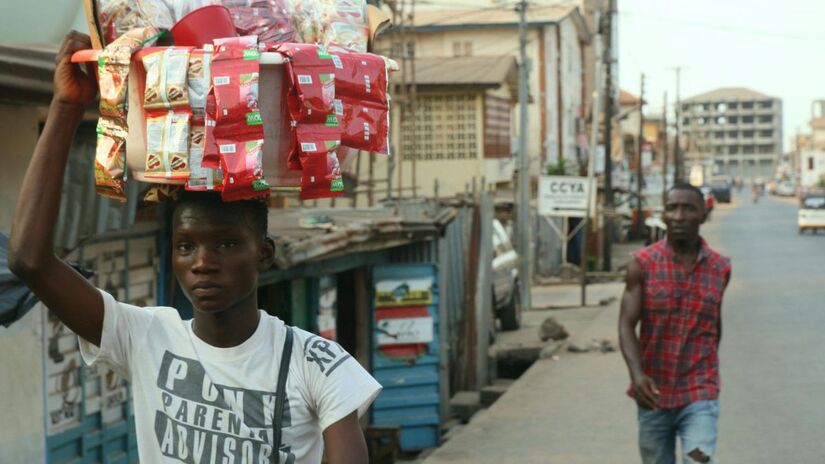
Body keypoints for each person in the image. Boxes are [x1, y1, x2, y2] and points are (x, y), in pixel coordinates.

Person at [8, 31, 380, 464]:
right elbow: (29, 260)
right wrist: (67, 107)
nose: (203, 263)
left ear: (264, 253)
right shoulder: (147, 337)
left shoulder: (315, 363)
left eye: (225, 244)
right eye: (186, 246)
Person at [618, 183, 731, 464]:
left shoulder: (720, 268)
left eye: (689, 208)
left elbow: (713, 326)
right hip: (653, 394)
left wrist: (705, 369)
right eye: (672, 208)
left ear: (703, 216)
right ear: (664, 215)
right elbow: (626, 324)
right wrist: (637, 375)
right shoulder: (642, 264)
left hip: (699, 392)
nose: (679, 216)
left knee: (698, 460)